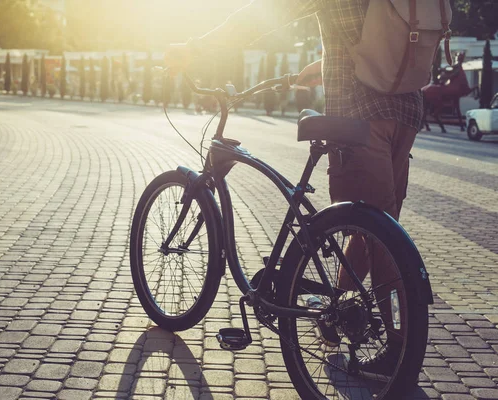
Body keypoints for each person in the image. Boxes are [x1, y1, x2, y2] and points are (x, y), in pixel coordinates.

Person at [166, 0, 424, 381]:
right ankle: (334, 317)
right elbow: (379, 38)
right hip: (406, 111)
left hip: (362, 113)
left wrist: (193, 47)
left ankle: (399, 352)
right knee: (374, 225)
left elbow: (265, 14)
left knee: (379, 237)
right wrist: (327, 64)